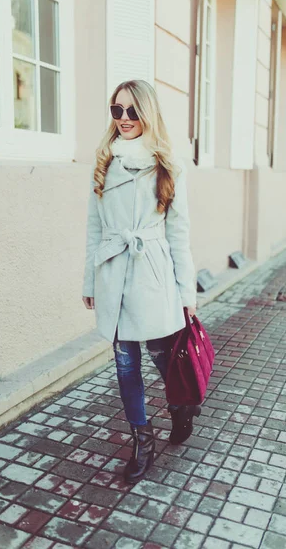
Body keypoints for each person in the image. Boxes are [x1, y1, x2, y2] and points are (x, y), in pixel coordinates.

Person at [82, 80, 200, 483]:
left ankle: (182, 405)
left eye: (133, 111)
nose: (125, 119)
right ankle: (142, 440)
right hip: (114, 270)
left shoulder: (167, 165)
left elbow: (179, 233)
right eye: (118, 111)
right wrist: (90, 281)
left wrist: (187, 292)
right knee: (124, 361)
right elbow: (94, 229)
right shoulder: (104, 161)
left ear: (147, 113)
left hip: (152, 269)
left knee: (162, 353)